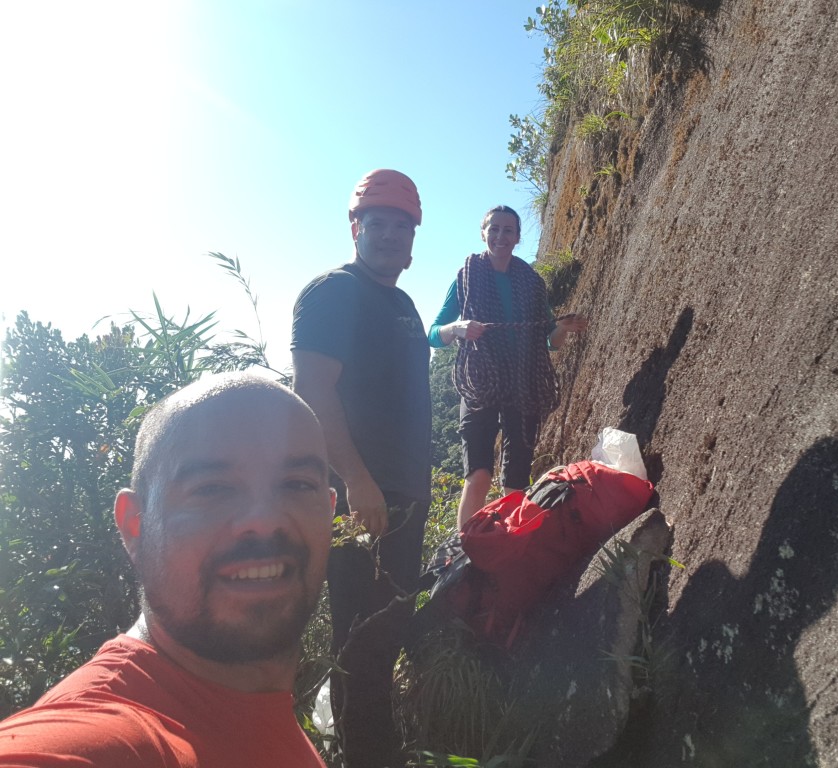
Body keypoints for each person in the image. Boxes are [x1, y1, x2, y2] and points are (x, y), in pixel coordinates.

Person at [0, 373, 337, 767]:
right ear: (134, 524)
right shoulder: (103, 737)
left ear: (330, 512)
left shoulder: (261, 708)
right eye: (212, 487)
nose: (264, 521)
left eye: (297, 484)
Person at [290, 169, 431, 766]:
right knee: (363, 644)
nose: (391, 235)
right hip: (363, 499)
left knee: (388, 633)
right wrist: (356, 482)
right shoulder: (332, 293)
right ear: (355, 227)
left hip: (404, 497)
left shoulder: (401, 304)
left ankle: (374, 749)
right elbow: (314, 393)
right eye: (378, 223)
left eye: (403, 226)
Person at [429, 205, 588, 527]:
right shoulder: (467, 276)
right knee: (479, 476)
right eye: (495, 229)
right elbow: (433, 334)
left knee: (515, 481)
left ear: (517, 237)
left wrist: (561, 329)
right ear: (483, 232)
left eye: (508, 230)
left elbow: (548, 341)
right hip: (480, 383)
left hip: (524, 383)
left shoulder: (531, 282)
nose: (501, 236)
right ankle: (465, 555)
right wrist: (457, 328)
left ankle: (507, 548)